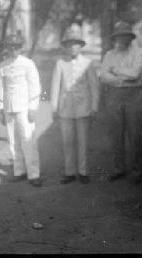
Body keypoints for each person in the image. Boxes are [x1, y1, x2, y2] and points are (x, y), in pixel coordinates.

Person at [51, 27, 99, 185]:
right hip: (65, 108)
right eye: (70, 44)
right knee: (67, 141)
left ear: (80, 46)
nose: (73, 47)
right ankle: (69, 171)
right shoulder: (60, 63)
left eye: (76, 44)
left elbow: (94, 86)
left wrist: (94, 106)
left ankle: (83, 171)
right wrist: (54, 108)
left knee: (83, 141)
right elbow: (55, 87)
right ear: (65, 46)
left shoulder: (88, 63)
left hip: (83, 107)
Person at [100, 21, 142, 183]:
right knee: (116, 133)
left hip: (134, 95)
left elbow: (135, 73)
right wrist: (120, 81)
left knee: (135, 134)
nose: (123, 40)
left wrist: (116, 71)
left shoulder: (138, 53)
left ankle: (136, 170)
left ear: (130, 38)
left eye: (126, 36)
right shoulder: (109, 55)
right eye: (120, 37)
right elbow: (103, 76)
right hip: (114, 96)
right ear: (115, 38)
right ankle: (119, 167)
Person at [0, 34, 42, 187]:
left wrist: (33, 108)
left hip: (24, 107)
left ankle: (34, 174)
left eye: (17, 46)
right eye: (10, 46)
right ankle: (19, 171)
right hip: (9, 107)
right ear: (7, 48)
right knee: (13, 141)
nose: (13, 50)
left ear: (21, 48)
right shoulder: (3, 65)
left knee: (28, 140)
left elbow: (35, 87)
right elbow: (0, 87)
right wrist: (1, 109)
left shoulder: (28, 64)